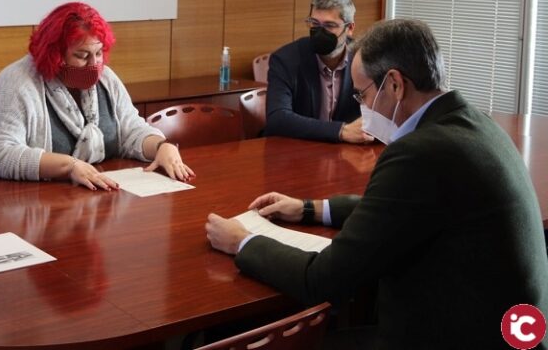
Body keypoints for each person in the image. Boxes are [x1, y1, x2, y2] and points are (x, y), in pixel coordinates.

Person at [206, 18, 548, 349]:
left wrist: (244, 242)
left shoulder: (420, 153)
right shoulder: (473, 122)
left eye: (362, 95)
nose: (363, 108)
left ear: (396, 85)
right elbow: (401, 209)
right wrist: (310, 208)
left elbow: (324, 280)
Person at [0, 2, 194, 189]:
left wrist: (161, 146)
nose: (94, 64)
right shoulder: (15, 85)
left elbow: (131, 130)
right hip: (19, 201)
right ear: (55, 56)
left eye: (99, 53)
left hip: (89, 198)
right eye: (82, 55)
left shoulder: (106, 79)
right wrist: (69, 166)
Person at [264, 0, 369, 143]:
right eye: (314, 23)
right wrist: (340, 131)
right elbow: (277, 118)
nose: (320, 33)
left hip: (347, 154)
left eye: (329, 25)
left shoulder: (365, 59)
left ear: (350, 28)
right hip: (296, 151)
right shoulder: (286, 59)